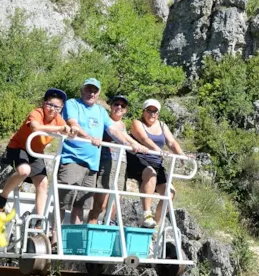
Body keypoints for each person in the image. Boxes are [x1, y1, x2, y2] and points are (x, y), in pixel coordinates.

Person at [60, 78, 135, 224]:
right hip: (72, 158)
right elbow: (72, 123)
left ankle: (75, 244)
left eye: (94, 91)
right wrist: (89, 137)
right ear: (82, 90)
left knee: (80, 205)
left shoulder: (101, 111)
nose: (91, 93)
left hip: (92, 164)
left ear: (98, 93)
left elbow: (112, 129)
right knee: (62, 201)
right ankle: (54, 237)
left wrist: (127, 144)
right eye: (88, 89)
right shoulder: (72, 104)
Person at [0, 88, 75, 221]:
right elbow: (36, 127)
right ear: (44, 103)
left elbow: (67, 132)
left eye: (57, 107)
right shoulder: (36, 113)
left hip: (36, 152)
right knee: (24, 171)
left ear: (61, 109)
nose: (52, 109)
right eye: (50, 105)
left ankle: (39, 219)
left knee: (43, 183)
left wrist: (72, 131)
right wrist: (60, 129)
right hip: (18, 147)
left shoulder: (59, 120)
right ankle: (2, 198)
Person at [86, 94, 146, 225]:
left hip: (121, 163)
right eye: (116, 104)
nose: (119, 107)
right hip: (106, 161)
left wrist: (139, 146)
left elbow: (124, 136)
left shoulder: (123, 124)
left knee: (116, 199)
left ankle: (109, 226)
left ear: (125, 110)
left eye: (122, 105)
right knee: (101, 201)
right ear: (111, 106)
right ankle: (91, 226)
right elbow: (115, 134)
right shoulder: (105, 120)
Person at [128, 99, 185, 229]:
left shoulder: (162, 125)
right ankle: (146, 213)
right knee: (150, 174)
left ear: (158, 114)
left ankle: (155, 225)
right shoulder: (137, 123)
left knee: (169, 193)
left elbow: (171, 142)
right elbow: (144, 139)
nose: (152, 114)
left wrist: (181, 154)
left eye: (155, 111)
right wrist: (158, 150)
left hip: (156, 162)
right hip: (139, 160)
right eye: (149, 111)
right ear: (144, 112)